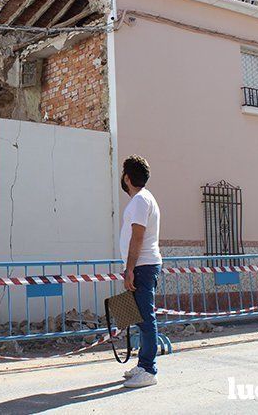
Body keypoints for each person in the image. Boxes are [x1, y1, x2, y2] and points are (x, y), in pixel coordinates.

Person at [118, 155, 162, 389]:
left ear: (127, 177)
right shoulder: (143, 200)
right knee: (138, 317)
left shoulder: (139, 201)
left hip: (142, 267)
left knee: (145, 318)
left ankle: (148, 369)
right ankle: (143, 364)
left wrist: (130, 269)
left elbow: (138, 236)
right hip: (142, 266)